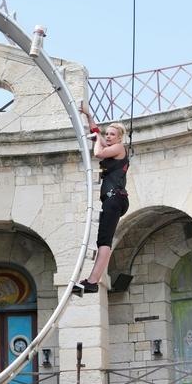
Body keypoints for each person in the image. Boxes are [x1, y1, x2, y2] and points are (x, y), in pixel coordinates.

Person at [73, 104, 130, 294]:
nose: (108, 136)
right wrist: (89, 116)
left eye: (112, 134)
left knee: (104, 241)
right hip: (112, 199)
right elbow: (96, 130)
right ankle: (92, 280)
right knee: (102, 240)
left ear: (120, 137)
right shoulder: (112, 146)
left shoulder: (120, 148)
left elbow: (98, 153)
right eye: (107, 134)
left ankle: (93, 281)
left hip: (115, 198)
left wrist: (97, 138)